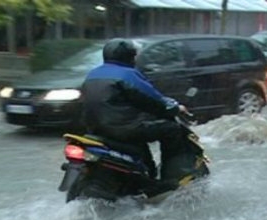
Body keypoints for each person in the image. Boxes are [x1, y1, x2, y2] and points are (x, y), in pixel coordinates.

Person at [80, 38, 189, 180]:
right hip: (124, 129)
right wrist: (175, 108)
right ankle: (171, 175)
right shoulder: (128, 74)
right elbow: (154, 100)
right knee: (173, 130)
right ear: (129, 56)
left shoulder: (92, 75)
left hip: (96, 130)